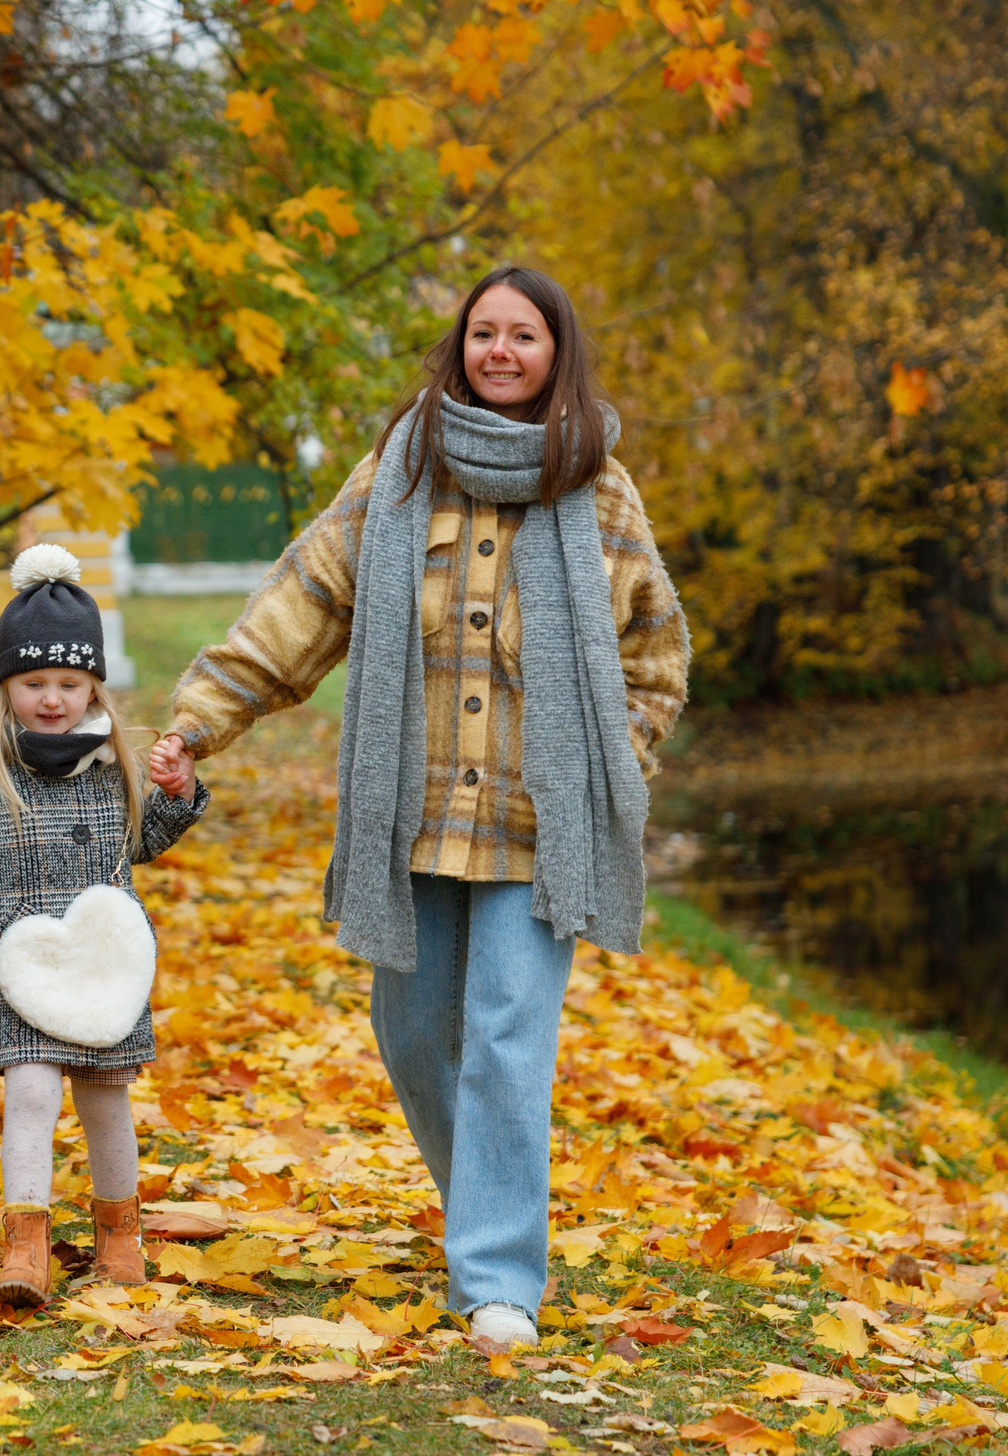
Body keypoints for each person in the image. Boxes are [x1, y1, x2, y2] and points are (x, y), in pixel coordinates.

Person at [149, 266, 689, 1347]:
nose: (499, 351)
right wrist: (194, 722)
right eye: (482, 333)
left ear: (555, 354)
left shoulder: (599, 490)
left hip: (543, 825)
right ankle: (485, 1206)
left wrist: (611, 769)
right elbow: (298, 606)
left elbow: (655, 656)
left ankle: (495, 1279)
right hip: (414, 813)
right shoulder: (395, 477)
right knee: (409, 1031)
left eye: (522, 336)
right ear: (459, 349)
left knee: (504, 1036)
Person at [0, 544, 209, 1309]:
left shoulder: (111, 766)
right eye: (34, 682)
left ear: (94, 681)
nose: (52, 698)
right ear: (6, 684)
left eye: (68, 681)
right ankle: (25, 1242)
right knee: (30, 1090)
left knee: (104, 1097)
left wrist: (175, 793)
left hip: (99, 967)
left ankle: (119, 1234)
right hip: (12, 967)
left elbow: (143, 843)